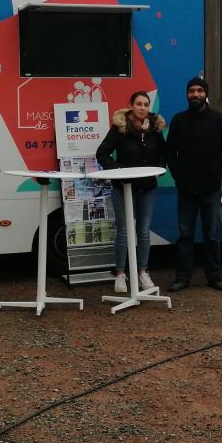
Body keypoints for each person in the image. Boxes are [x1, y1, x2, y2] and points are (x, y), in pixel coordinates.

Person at [165, 76, 222, 291]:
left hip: (211, 188)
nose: (195, 94)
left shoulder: (219, 120)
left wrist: (218, 173)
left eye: (199, 91)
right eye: (191, 91)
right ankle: (183, 278)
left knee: (211, 235)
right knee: (185, 235)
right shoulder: (178, 120)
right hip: (185, 188)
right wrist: (178, 175)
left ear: (206, 94)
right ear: (187, 95)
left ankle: (214, 276)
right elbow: (170, 152)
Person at [95, 91, 166, 294]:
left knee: (143, 231)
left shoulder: (155, 129)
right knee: (123, 231)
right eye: (139, 103)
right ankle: (120, 274)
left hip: (147, 188)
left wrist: (158, 170)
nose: (143, 107)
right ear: (131, 105)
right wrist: (117, 171)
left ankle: (143, 272)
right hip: (123, 188)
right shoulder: (120, 128)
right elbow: (102, 153)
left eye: (146, 104)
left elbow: (163, 153)